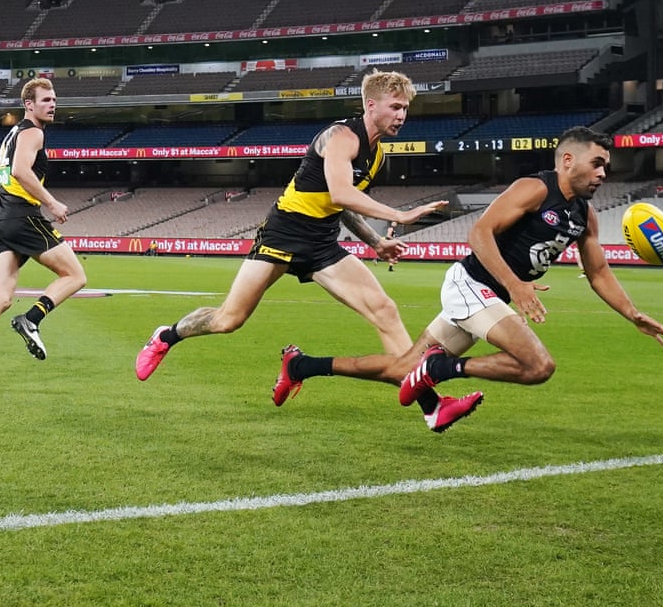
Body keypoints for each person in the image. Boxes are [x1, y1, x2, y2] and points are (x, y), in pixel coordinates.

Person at [134, 69, 483, 433]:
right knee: (229, 320)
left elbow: (339, 205)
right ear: (370, 105)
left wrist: (376, 242)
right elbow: (341, 193)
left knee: (384, 310)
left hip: (321, 242)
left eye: (405, 108)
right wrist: (399, 215)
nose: (402, 115)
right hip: (283, 233)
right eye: (395, 107)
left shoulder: (377, 154)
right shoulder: (341, 137)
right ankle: (166, 336)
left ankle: (431, 407)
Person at [277, 127, 663, 418]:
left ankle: (301, 365)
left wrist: (632, 314)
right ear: (568, 160)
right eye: (597, 163)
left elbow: (599, 272)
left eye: (606, 166)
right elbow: (479, 233)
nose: (603, 173)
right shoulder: (536, 189)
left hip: (487, 296)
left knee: (401, 370)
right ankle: (439, 369)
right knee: (539, 366)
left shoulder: (584, 216)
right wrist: (516, 285)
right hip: (471, 285)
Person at [0, 78, 87, 388]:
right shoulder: (33, 132)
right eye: (46, 100)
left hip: (0, 222)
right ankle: (32, 319)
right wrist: (51, 203)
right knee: (75, 276)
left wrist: (7, 211)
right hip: (22, 217)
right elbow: (21, 171)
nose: (53, 104)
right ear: (29, 105)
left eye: (54, 99)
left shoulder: (10, 135)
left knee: (0, 297)